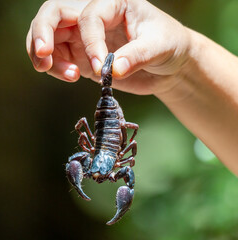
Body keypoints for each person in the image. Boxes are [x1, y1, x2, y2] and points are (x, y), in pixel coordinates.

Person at [26, 0, 238, 176]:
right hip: (108, 128)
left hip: (106, 124)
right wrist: (181, 68)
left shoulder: (104, 156)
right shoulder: (112, 157)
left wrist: (183, 66)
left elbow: (88, 136)